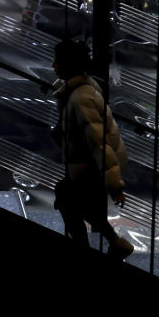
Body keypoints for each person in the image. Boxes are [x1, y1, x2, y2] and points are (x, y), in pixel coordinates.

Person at [51, 39, 134, 259]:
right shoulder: (80, 91)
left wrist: (115, 185)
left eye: (57, 61)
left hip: (88, 169)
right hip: (85, 167)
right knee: (77, 205)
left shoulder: (81, 98)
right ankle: (114, 244)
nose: (53, 66)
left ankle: (103, 246)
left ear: (69, 65)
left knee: (68, 200)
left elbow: (100, 143)